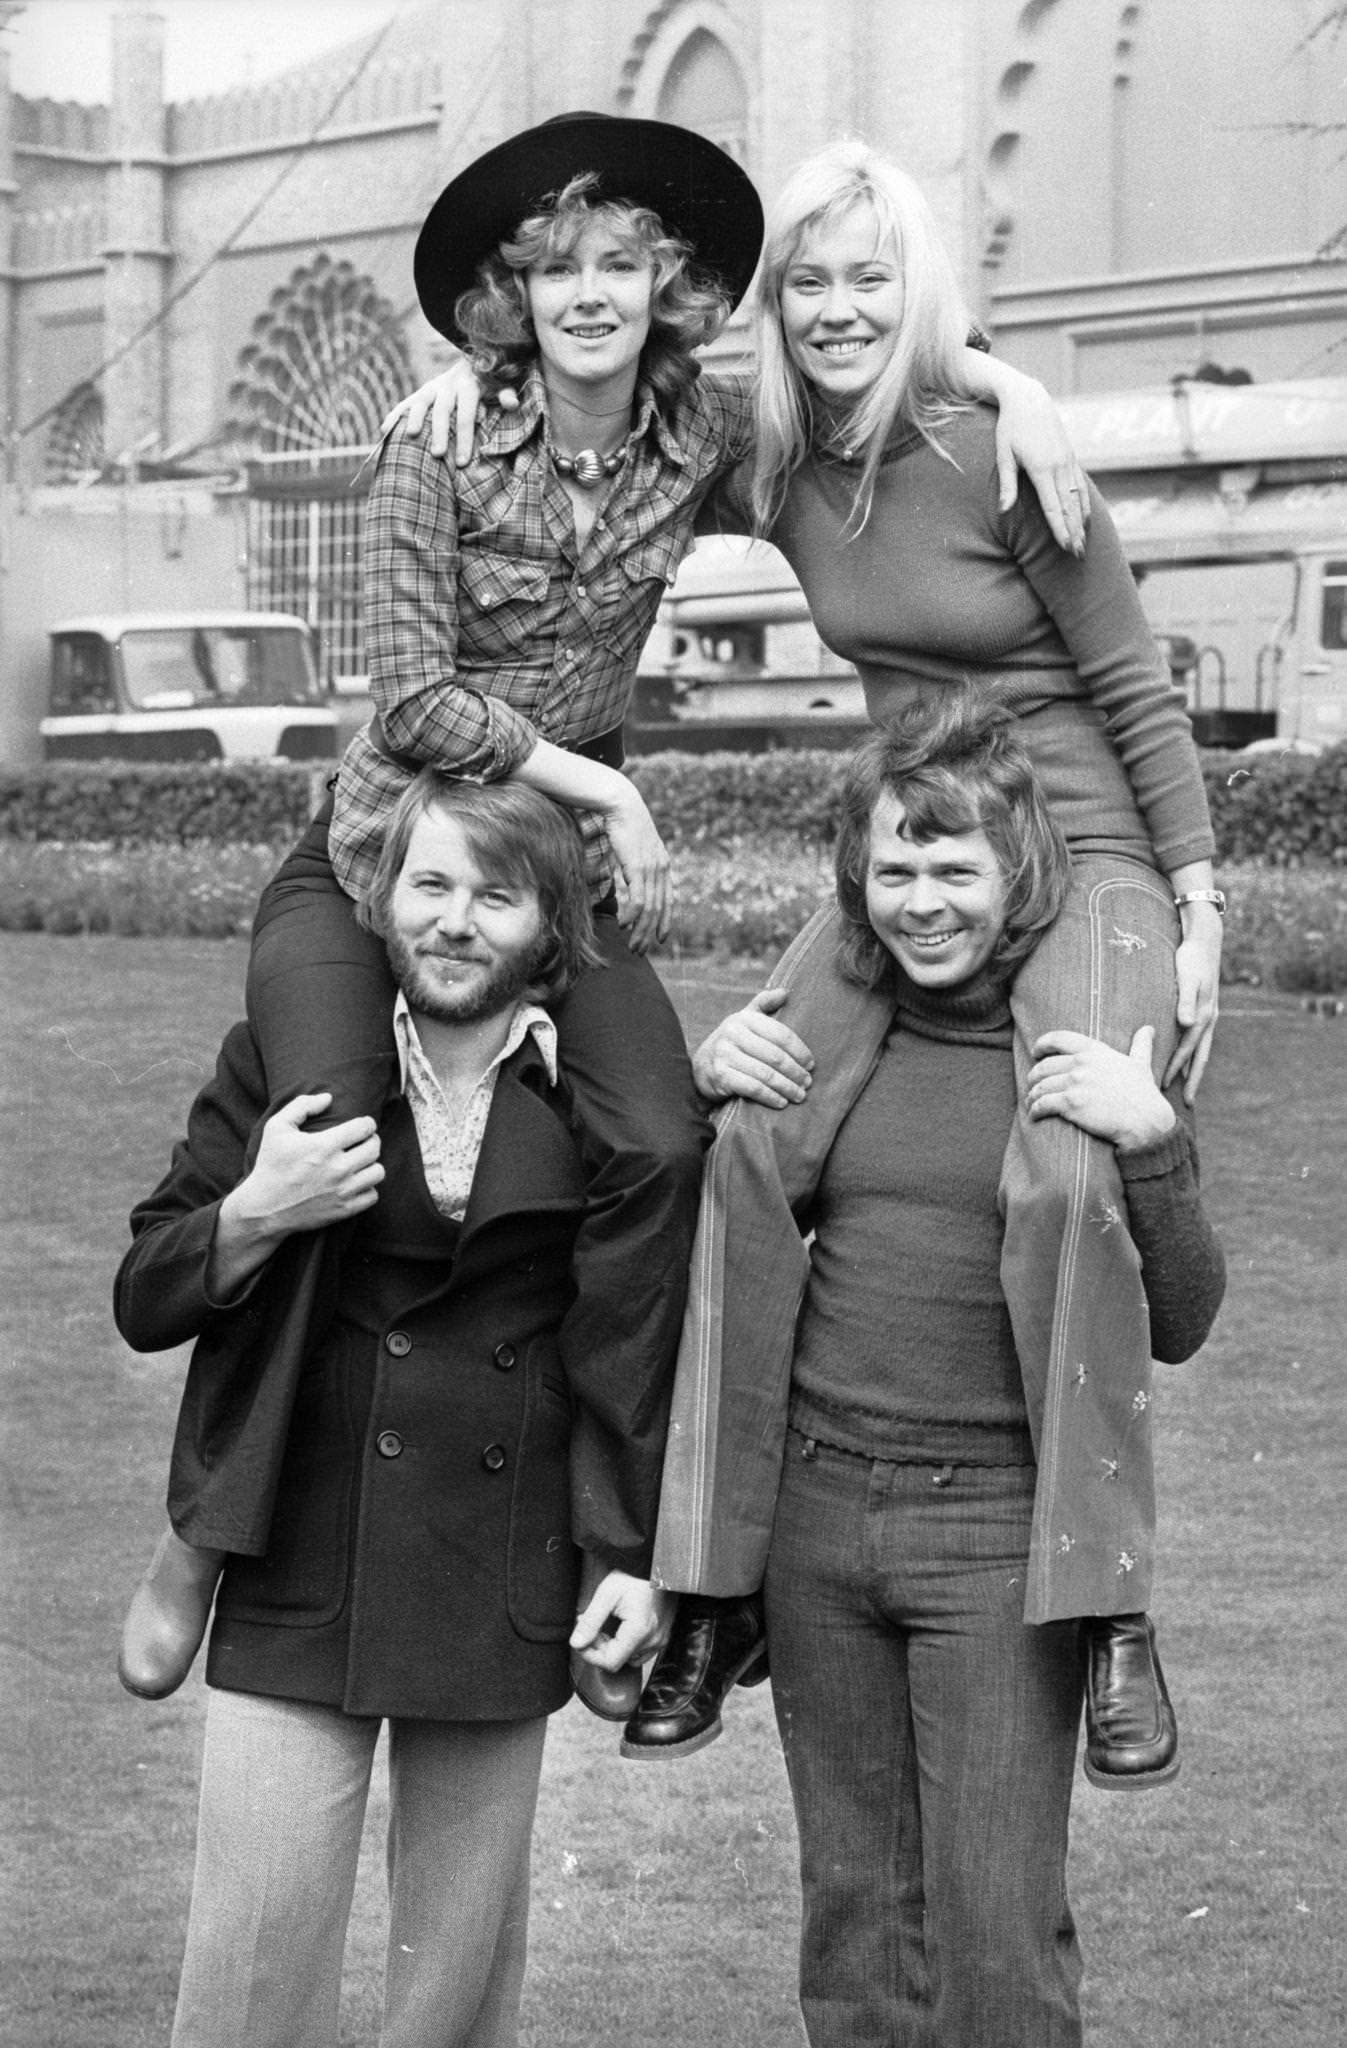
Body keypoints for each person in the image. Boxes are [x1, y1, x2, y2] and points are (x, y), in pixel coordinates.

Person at [117, 112, 1088, 1705]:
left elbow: (868, 388)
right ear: (515, 291)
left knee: (657, 1144)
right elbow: (413, 697)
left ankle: (621, 1547)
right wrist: (610, 788)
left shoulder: (698, 436)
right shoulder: (432, 444)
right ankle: (210, 1525)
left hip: (551, 898)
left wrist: (1017, 387)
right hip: (377, 862)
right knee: (331, 1125)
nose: (588, 293)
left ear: (666, 287)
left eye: (620, 265)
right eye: (557, 267)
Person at [644, 693, 1226, 2045]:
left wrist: (1151, 1140)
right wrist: (697, 1085)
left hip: (990, 1531)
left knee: (995, 1934)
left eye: (951, 867)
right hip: (817, 1516)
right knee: (856, 1928)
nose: (920, 902)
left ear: (1016, 870)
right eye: (893, 868)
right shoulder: (830, 1039)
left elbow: (1183, 1317)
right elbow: (690, 1238)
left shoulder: (1088, 1052)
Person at [113, 774, 675, 2048]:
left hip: (500, 1560)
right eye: (430, 885)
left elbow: (641, 1332)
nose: (457, 922)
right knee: (251, 1963)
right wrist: (256, 1208)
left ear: (551, 925)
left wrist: (620, 1545)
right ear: (379, 896)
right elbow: (146, 1291)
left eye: (496, 894)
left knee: (456, 1993)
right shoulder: (291, 1057)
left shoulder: (603, 1098)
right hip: (299, 1548)